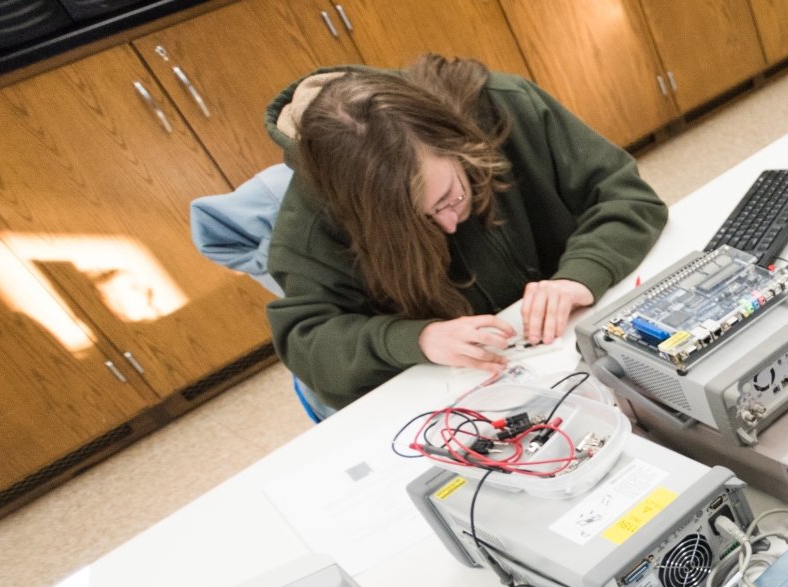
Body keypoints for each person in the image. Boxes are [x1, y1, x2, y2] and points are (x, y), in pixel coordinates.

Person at [264, 55, 669, 412]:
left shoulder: (504, 103)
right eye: (415, 220)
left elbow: (627, 197)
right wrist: (416, 339)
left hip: (592, 344)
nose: (447, 224)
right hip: (473, 397)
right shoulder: (312, 219)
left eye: (448, 197)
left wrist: (581, 272)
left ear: (455, 140)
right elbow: (309, 343)